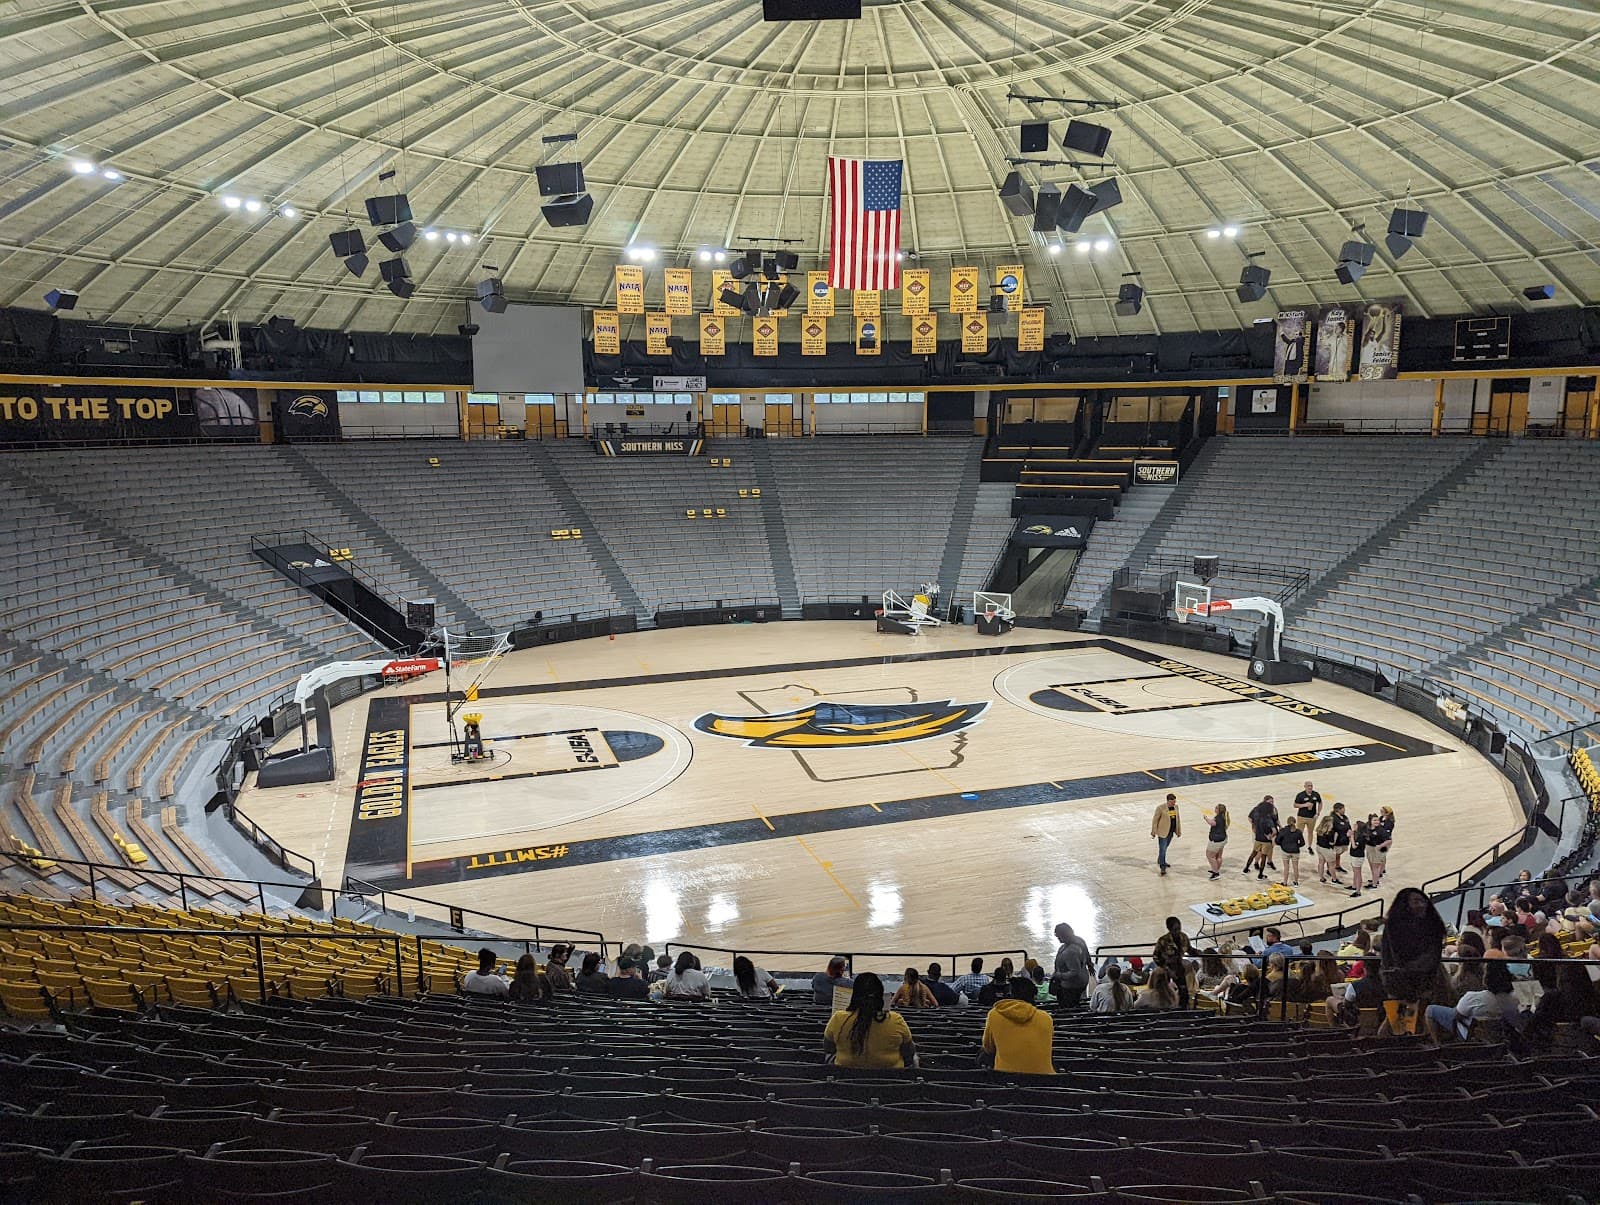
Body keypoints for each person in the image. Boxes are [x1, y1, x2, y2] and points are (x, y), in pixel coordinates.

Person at [1381, 887, 1447, 1034]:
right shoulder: (1393, 926)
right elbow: (1391, 957)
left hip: (1424, 981)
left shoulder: (1433, 924)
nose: (1422, 905)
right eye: (1416, 901)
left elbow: (1433, 956)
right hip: (1399, 982)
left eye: (1423, 901)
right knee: (1395, 1023)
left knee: (1418, 1021)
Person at [823, 973, 916, 1070]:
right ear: (880, 995)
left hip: (845, 1081)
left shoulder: (838, 1018)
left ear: (854, 994)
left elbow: (828, 1048)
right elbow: (909, 1052)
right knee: (915, 1058)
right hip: (891, 1081)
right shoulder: (896, 1020)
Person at [1425, 960, 1523, 1045]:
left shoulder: (1473, 998)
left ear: (1486, 978)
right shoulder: (1515, 999)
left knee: (1430, 1010)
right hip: (1500, 1037)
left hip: (1471, 1035)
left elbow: (1457, 1016)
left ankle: (1437, 1044)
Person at [981, 977, 1055, 1074]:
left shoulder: (994, 1015)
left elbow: (988, 1048)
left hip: (1004, 1078)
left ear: (1010, 994)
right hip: (1045, 1081)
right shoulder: (1046, 1018)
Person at [1152, 915, 1193, 1009]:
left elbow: (1189, 949)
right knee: (1167, 995)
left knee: (1184, 994)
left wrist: (1198, 953)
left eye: (1179, 928)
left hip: (1180, 970)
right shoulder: (1163, 941)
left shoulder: (1183, 937)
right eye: (1175, 929)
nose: (1178, 931)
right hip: (1167, 971)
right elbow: (1156, 957)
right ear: (1169, 929)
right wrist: (1166, 968)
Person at [1052, 923, 1093, 1008]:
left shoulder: (1070, 952)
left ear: (1064, 935)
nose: (1058, 938)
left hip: (1071, 986)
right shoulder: (1079, 940)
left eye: (1058, 936)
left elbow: (1074, 972)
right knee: (1076, 1001)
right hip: (1083, 978)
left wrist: (1059, 975)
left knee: (1067, 1004)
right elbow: (1087, 954)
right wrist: (1090, 966)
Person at [1243, 795, 1278, 877]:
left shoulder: (1258, 815)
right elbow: (1274, 830)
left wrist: (1255, 827)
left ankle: (1246, 869)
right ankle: (1260, 874)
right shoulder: (1268, 818)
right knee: (1263, 855)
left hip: (1258, 837)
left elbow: (1251, 819)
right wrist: (1271, 836)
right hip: (1266, 839)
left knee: (1253, 852)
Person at [1150, 792, 1182, 876]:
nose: (1174, 803)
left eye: (1175, 801)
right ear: (1167, 801)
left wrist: (1178, 831)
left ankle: (1160, 859)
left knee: (1165, 847)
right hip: (1163, 832)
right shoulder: (1160, 808)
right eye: (1172, 802)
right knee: (1163, 849)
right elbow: (1155, 821)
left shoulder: (1176, 807)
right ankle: (1162, 866)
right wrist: (1153, 831)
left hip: (1171, 831)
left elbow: (1178, 819)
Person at [1367, 806, 1394, 888]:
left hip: (1383, 842)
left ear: (1387, 812)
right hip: (1378, 841)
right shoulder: (1381, 818)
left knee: (1382, 856)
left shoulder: (1389, 822)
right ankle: (1379, 873)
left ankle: (1379, 873)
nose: (1380, 812)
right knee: (1380, 858)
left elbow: (1387, 835)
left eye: (1382, 811)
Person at [1275, 820, 1305, 887]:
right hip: (1295, 852)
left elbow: (1277, 841)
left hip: (1285, 851)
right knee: (1295, 867)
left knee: (1286, 867)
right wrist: (1297, 846)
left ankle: (1285, 882)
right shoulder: (1298, 832)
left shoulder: (1283, 831)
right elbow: (1303, 843)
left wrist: (1283, 845)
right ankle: (1296, 882)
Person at [1293, 781, 1322, 846]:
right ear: (1305, 786)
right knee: (1299, 832)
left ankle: (1309, 846)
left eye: (1311, 786)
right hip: (1301, 817)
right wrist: (1305, 805)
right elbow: (1295, 805)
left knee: (1310, 832)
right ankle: (1297, 844)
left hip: (1312, 817)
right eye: (1308, 786)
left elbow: (1320, 803)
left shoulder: (1316, 794)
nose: (1310, 787)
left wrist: (1318, 813)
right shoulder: (1300, 795)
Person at [1346, 819, 1371, 898]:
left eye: (1355, 825)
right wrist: (1350, 836)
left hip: (1358, 856)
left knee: (1358, 873)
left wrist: (1351, 836)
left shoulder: (1361, 837)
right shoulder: (1357, 834)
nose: (1354, 826)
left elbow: (1354, 846)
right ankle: (1354, 886)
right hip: (1354, 855)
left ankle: (1358, 891)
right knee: (1355, 872)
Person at [1204, 803, 1229, 879]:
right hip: (1223, 839)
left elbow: (1212, 823)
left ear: (1218, 810)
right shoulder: (1224, 817)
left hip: (1216, 840)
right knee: (1219, 856)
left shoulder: (1218, 818)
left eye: (1216, 808)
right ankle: (1216, 869)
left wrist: (1206, 818)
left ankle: (1216, 873)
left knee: (1210, 856)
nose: (1215, 808)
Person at [1327, 802, 1352, 878]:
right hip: (1337, 841)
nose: (1344, 810)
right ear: (1338, 810)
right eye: (1343, 809)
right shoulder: (1333, 818)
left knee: (1339, 853)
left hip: (1344, 840)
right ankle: (1329, 869)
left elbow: (1348, 826)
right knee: (1333, 855)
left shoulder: (1345, 817)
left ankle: (1337, 865)